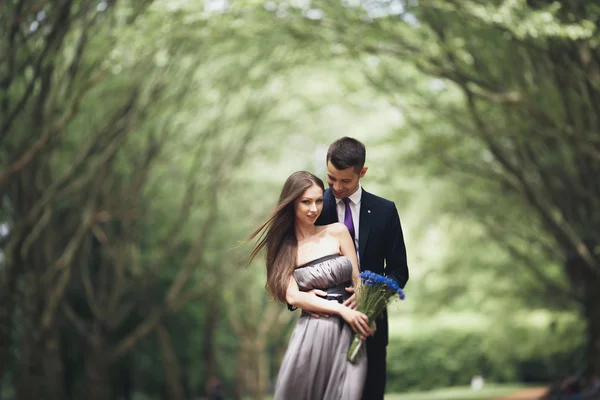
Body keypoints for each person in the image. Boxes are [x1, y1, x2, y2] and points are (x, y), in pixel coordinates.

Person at [247, 171, 374, 400]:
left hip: (350, 331)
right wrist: (341, 309)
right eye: (306, 201)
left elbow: (357, 278)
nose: (314, 209)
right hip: (315, 332)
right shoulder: (286, 249)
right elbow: (294, 297)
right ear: (291, 203)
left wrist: (366, 309)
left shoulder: (337, 231)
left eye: (318, 201)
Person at [305, 136, 409, 400]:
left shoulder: (385, 211)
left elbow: (399, 270)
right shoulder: (313, 209)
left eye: (345, 180)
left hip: (371, 326)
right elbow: (294, 261)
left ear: (362, 172)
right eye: (331, 178)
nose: (337, 187)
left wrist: (371, 297)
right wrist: (302, 299)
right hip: (324, 324)